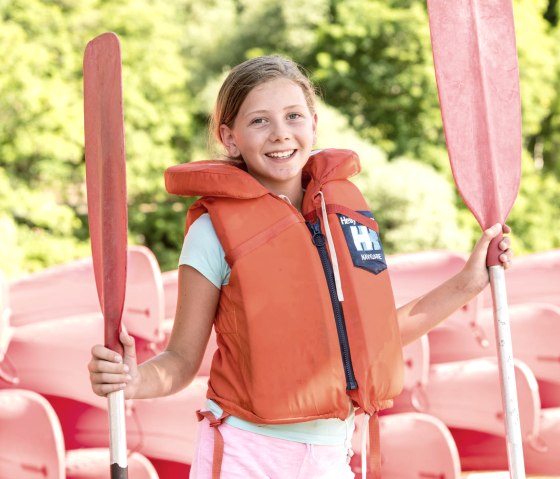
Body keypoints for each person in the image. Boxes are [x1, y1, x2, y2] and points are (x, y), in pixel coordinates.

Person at [88, 55, 512, 479]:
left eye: (293, 116)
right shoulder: (211, 232)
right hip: (246, 456)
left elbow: (377, 337)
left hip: (332, 457)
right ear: (229, 138)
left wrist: (471, 282)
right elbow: (182, 358)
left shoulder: (342, 214)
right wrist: (133, 380)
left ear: (313, 123)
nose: (280, 134)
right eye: (259, 121)